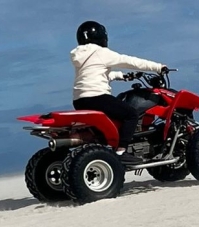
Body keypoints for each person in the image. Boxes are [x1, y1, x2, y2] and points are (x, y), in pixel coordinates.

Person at [71, 20, 167, 165]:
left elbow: (97, 75)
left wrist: (122, 76)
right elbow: (129, 61)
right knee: (131, 114)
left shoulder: (80, 56)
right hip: (97, 97)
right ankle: (122, 151)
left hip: (80, 100)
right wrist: (158, 67)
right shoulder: (101, 52)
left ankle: (109, 145)